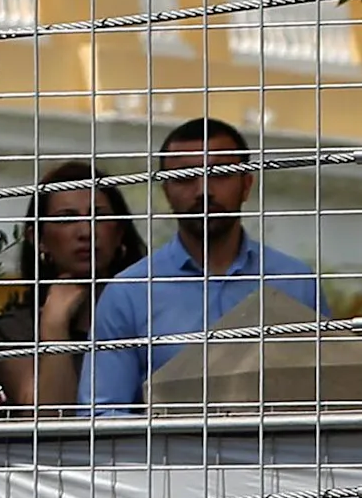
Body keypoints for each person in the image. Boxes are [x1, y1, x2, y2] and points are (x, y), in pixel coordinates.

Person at [86, 118, 321, 410]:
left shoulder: (295, 282)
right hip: (167, 454)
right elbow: (102, 413)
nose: (203, 191)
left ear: (246, 184)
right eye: (186, 177)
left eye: (220, 174)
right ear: (165, 190)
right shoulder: (130, 292)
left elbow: (330, 395)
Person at [0, 162, 145, 414]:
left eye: (98, 216)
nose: (86, 231)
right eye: (67, 218)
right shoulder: (13, 331)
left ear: (120, 232)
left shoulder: (147, 310)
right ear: (39, 239)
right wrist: (54, 326)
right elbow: (46, 422)